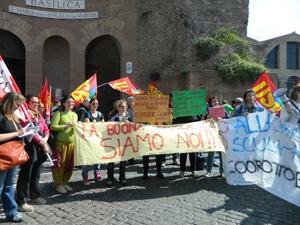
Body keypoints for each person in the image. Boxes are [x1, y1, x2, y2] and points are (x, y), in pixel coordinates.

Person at [16, 94, 50, 212]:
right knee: (27, 173)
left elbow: (45, 128)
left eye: (37, 102)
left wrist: (45, 138)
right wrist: (40, 141)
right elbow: (29, 130)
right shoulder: (24, 115)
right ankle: (22, 199)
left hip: (40, 146)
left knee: (37, 172)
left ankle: (34, 194)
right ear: (27, 103)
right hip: (30, 147)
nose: (36, 104)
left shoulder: (38, 114)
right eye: (33, 102)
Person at [0, 91, 27, 222]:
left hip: (13, 155)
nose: (18, 107)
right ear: (10, 102)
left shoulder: (12, 117)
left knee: (9, 185)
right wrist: (17, 133)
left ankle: (11, 212)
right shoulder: (1, 116)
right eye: (17, 104)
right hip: (2, 156)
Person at [50, 95, 78, 194]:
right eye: (68, 102)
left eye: (72, 102)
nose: (71, 104)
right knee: (59, 164)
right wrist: (67, 126)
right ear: (63, 103)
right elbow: (52, 126)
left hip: (72, 142)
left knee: (69, 164)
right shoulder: (59, 113)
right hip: (60, 142)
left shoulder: (75, 114)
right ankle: (59, 184)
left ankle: (65, 182)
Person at [203, 96, 229, 178]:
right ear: (210, 103)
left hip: (221, 134)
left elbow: (229, 119)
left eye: (217, 101)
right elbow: (202, 123)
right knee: (211, 153)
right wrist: (207, 118)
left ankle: (222, 171)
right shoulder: (208, 112)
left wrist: (220, 120)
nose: (216, 103)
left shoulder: (223, 110)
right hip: (211, 134)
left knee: (221, 154)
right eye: (214, 101)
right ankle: (209, 171)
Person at [107, 99, 132, 186]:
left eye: (125, 106)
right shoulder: (112, 117)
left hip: (123, 142)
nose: (124, 108)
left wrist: (129, 124)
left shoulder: (128, 118)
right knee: (111, 161)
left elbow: (132, 130)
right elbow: (107, 128)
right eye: (122, 107)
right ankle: (110, 178)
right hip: (113, 141)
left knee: (123, 161)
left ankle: (122, 177)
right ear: (118, 108)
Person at [82, 98, 104, 185]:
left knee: (97, 157)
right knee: (87, 159)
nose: (95, 105)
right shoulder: (87, 114)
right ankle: (85, 175)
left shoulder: (100, 114)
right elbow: (88, 126)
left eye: (96, 104)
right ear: (90, 104)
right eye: (93, 103)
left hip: (98, 140)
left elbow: (103, 126)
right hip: (89, 140)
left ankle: (97, 173)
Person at [126, 96, 135, 165]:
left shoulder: (138, 109)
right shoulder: (128, 111)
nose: (130, 103)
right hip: (130, 130)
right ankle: (131, 159)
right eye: (129, 101)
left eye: (131, 101)